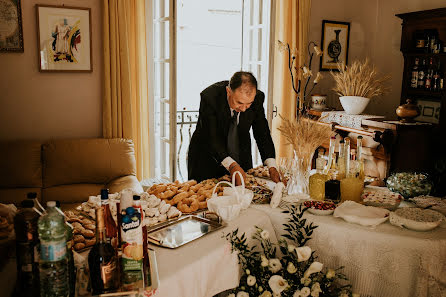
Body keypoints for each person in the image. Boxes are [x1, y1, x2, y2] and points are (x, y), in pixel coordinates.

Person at [187, 71, 282, 185]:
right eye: (239, 103)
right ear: (228, 91)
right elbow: (212, 137)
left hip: (239, 152)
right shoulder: (210, 97)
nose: (243, 109)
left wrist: (271, 165)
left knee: (243, 196)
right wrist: (231, 165)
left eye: (248, 104)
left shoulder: (258, 98)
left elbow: (262, 133)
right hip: (207, 156)